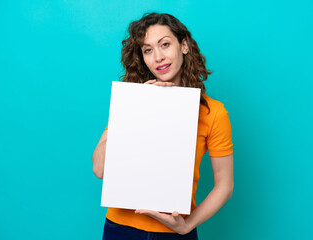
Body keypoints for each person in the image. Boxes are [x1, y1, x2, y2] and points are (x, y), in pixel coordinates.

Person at [92, 13, 234, 240]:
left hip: (175, 232)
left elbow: (225, 185)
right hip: (121, 228)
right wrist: (131, 113)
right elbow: (99, 169)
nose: (158, 57)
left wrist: (188, 226)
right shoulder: (129, 103)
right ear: (143, 58)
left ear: (184, 46)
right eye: (148, 50)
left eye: (165, 44)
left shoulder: (213, 112)